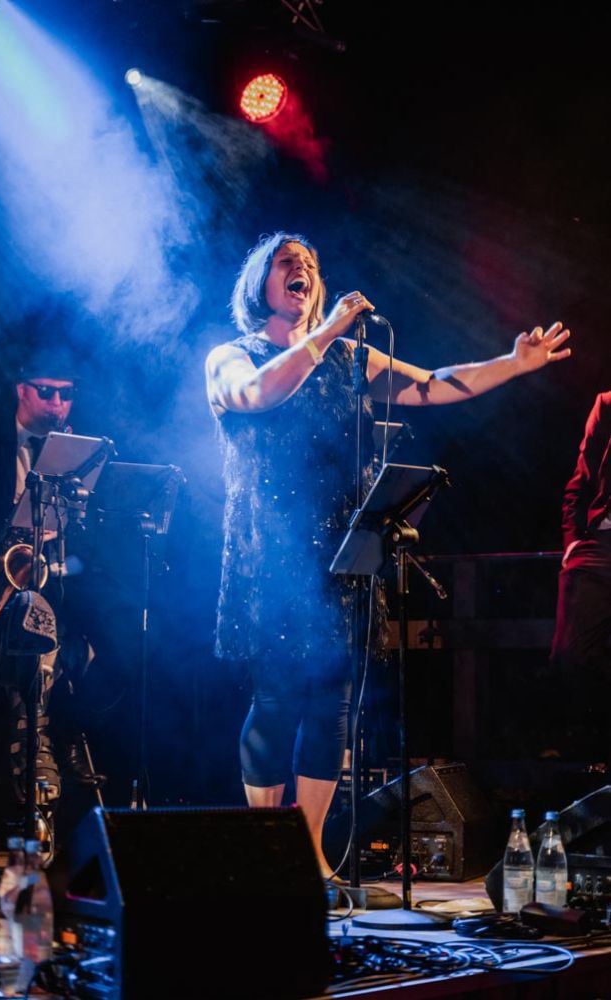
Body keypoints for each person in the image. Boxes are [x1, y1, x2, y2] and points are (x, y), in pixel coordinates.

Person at [205, 231, 571, 877]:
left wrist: (513, 363)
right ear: (259, 282)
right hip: (271, 552)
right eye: (287, 262)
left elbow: (435, 384)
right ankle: (266, 850)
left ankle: (309, 856)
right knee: (277, 699)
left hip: (345, 547)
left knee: (333, 705)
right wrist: (328, 331)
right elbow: (259, 394)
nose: (302, 269)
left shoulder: (349, 357)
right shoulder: (232, 356)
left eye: (309, 262)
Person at [0, 333, 105, 814]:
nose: (58, 404)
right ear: (21, 390)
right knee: (31, 620)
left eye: (66, 394)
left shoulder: (76, 452)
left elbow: (88, 535)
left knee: (116, 633)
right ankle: (34, 751)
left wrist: (75, 511)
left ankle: (56, 733)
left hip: (52, 573)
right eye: (46, 392)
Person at [550, 391, 611, 763]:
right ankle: (591, 759)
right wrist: (572, 541)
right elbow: (581, 480)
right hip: (601, 545)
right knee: (569, 656)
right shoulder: (608, 404)